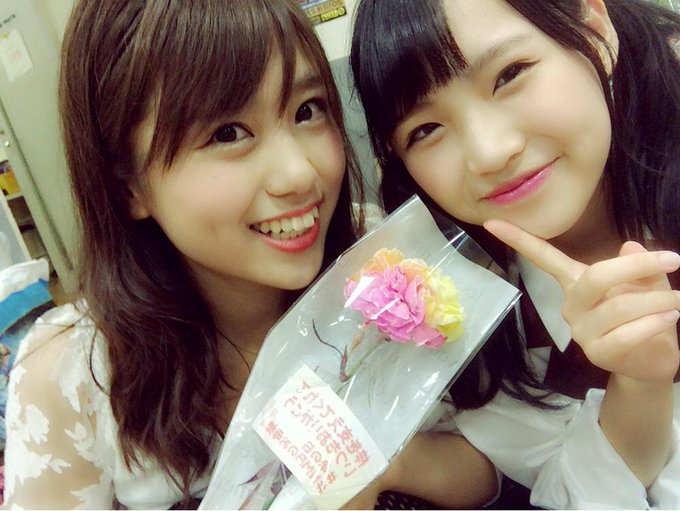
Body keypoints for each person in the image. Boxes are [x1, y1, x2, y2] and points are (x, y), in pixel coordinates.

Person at [2, 1, 500, 509]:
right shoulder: (71, 372)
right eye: (227, 134)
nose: (299, 174)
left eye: (306, 110)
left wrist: (377, 463)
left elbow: (494, 470)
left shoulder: (378, 264)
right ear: (127, 186)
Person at [351, 0, 680, 508]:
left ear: (595, 31)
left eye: (509, 74)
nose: (489, 151)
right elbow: (576, 493)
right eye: (426, 130)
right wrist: (639, 384)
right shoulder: (473, 331)